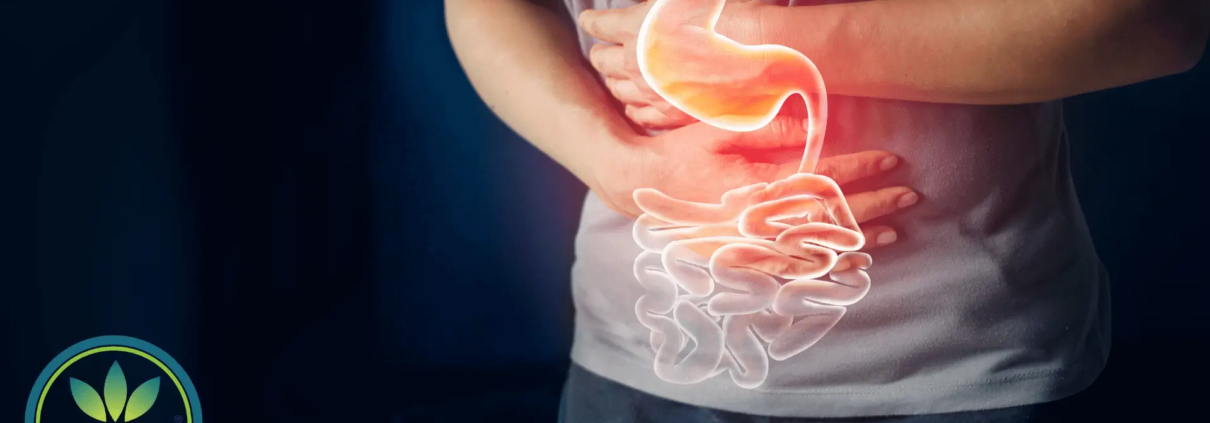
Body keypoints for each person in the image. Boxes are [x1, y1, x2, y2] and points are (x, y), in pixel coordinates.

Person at [445, 0, 1209, 421]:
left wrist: (754, 40)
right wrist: (622, 166)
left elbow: (1156, 20)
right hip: (639, 368)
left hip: (971, 374)